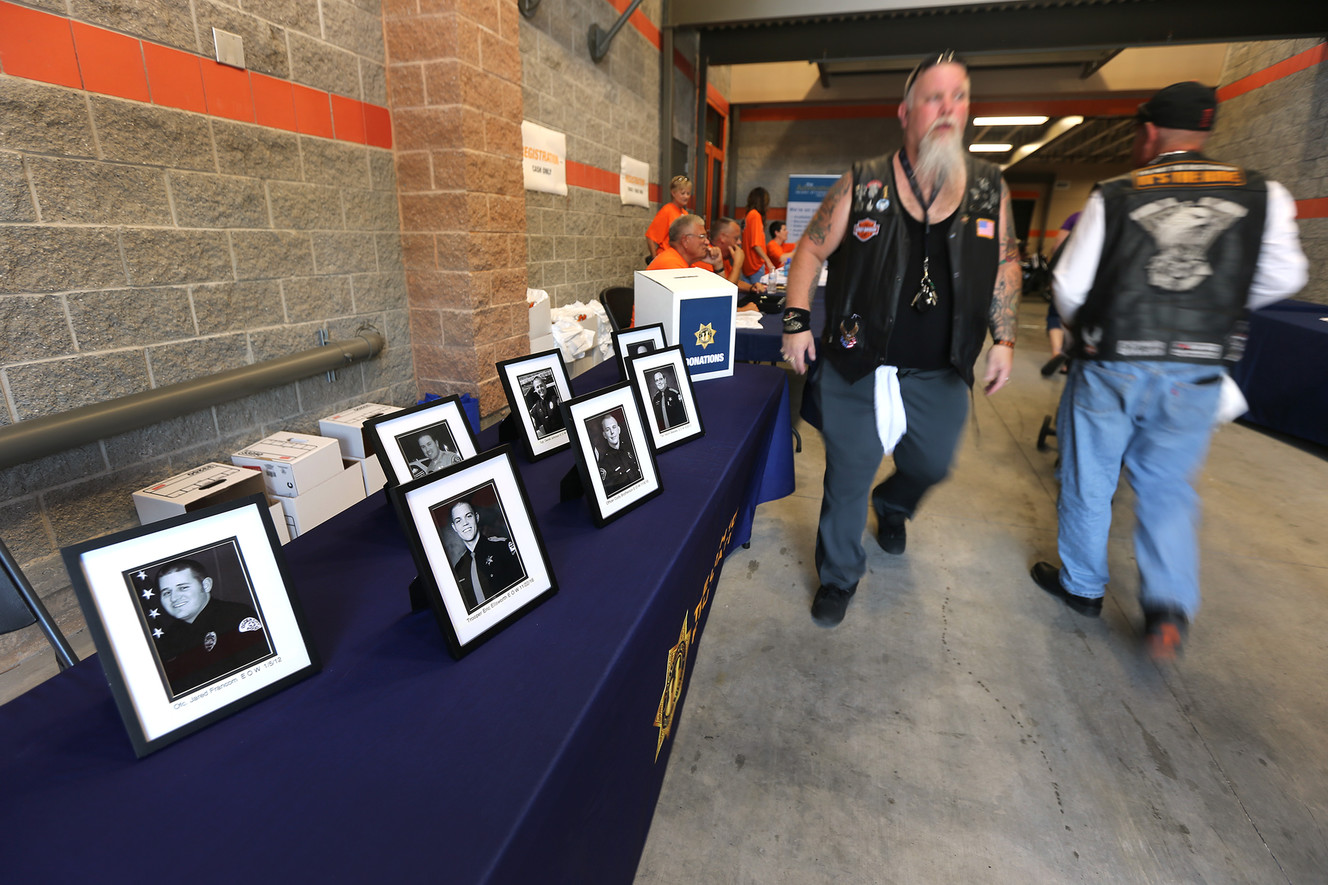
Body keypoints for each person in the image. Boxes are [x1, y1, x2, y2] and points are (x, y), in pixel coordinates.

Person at [1031, 81, 1307, 660]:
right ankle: (1167, 607)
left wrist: (1096, 326)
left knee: (1091, 477)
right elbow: (1287, 276)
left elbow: (1071, 286)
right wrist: (1214, 304)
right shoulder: (1265, 194)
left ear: (1149, 133)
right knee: (1166, 485)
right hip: (1196, 366)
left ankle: (1082, 586)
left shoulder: (1117, 194)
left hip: (1113, 361)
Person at [780, 51, 1021, 627]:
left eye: (958, 97)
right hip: (857, 361)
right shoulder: (862, 183)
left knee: (933, 462)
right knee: (848, 471)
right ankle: (839, 575)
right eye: (934, 98)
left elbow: (1006, 260)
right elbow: (810, 250)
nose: (948, 109)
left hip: (939, 368)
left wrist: (1004, 338)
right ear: (906, 112)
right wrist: (794, 322)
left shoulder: (989, 188)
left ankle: (893, 505)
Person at [150, 558, 269, 695]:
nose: (174, 598)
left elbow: (261, 674)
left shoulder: (236, 617)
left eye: (183, 587)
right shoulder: (169, 638)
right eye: (166, 592)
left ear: (206, 585)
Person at [448, 499, 524, 611]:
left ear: (477, 517)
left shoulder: (502, 547)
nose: (465, 523)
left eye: (468, 516)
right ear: (454, 527)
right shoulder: (459, 570)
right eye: (458, 520)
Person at [708, 216, 767, 308]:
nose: (739, 242)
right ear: (722, 237)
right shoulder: (708, 257)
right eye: (736, 238)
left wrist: (751, 288)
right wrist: (737, 264)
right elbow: (725, 295)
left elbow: (732, 280)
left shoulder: (724, 256)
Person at [644, 175, 692, 260]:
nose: (686, 197)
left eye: (688, 193)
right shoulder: (667, 211)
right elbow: (650, 237)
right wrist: (655, 260)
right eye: (683, 193)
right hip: (666, 258)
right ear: (673, 193)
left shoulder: (685, 214)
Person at [647, 213, 713, 271]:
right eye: (702, 236)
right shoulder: (671, 266)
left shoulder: (685, 263)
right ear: (685, 241)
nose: (707, 242)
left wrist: (718, 265)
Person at [595, 414, 641, 495]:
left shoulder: (632, 448)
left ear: (619, 430)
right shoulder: (604, 463)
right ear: (604, 435)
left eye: (614, 427)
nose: (612, 432)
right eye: (607, 430)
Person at [740, 187, 776, 285]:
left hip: (747, 264)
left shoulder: (748, 216)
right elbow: (755, 244)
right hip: (755, 264)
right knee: (758, 295)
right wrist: (768, 261)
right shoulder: (755, 216)